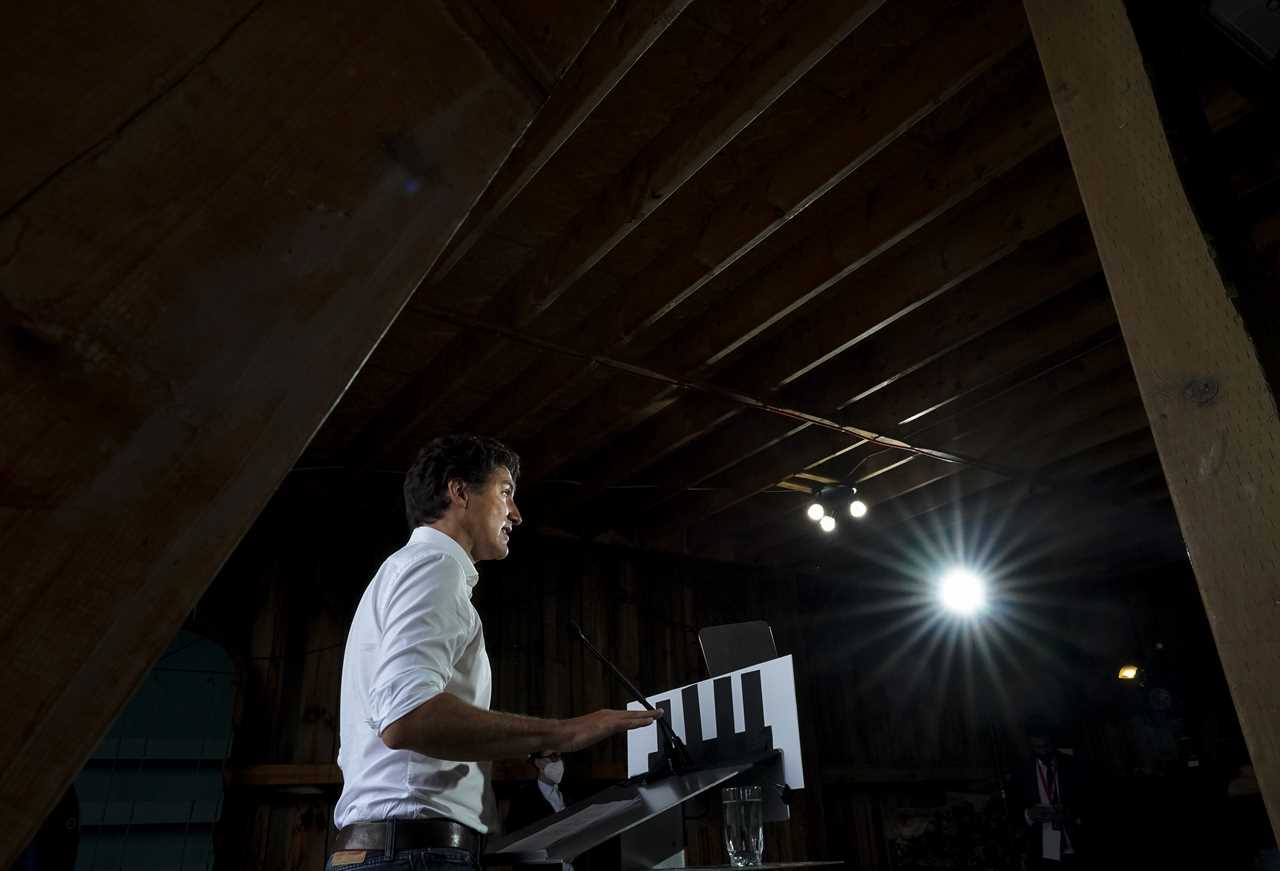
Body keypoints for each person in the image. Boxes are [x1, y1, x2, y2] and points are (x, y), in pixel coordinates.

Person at [331, 435, 659, 871]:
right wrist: (565, 733)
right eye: (505, 492)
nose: (517, 514)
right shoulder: (436, 566)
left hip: (396, 849)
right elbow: (406, 716)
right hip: (413, 853)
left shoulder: (406, 570)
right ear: (459, 491)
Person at [1019, 720, 1087, 868]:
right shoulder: (1023, 772)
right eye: (1038, 748)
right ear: (1030, 746)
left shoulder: (1073, 765)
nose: (1043, 752)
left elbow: (1088, 799)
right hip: (1044, 848)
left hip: (1076, 843)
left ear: (1053, 742)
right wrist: (1029, 814)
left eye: (1047, 746)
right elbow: (1014, 809)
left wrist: (1072, 813)